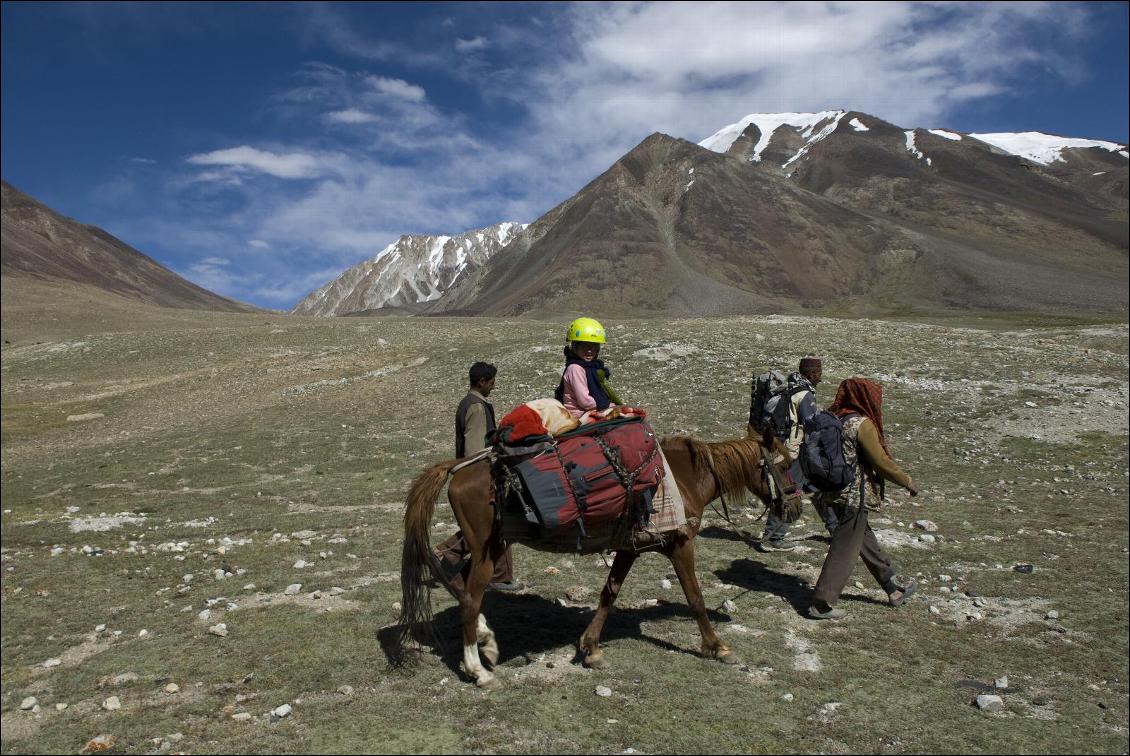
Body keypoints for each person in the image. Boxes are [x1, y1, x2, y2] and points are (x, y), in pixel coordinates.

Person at [807, 377, 919, 620]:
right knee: (845, 548)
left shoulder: (834, 417)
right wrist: (907, 481)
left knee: (863, 540)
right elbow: (881, 462)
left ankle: (892, 588)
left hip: (830, 492)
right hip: (853, 496)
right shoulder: (861, 424)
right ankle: (822, 603)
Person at [435, 362, 525, 592]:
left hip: (476, 473)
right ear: (483, 382)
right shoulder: (476, 407)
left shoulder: (470, 402)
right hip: (479, 474)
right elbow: (475, 449)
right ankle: (450, 554)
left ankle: (500, 575)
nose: (494, 386)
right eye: (492, 381)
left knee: (493, 525)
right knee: (490, 525)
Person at [757, 357, 837, 551]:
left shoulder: (790, 388)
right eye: (818, 372)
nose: (820, 376)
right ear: (810, 373)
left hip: (787, 449)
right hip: (797, 452)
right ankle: (773, 537)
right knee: (791, 493)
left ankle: (836, 529)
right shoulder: (805, 394)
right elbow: (810, 425)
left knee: (815, 487)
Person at [555, 317, 622, 419]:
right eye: (584, 346)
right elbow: (585, 402)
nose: (589, 351)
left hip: (588, 409)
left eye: (594, 346)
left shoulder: (590, 367)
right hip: (578, 414)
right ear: (575, 347)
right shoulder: (575, 369)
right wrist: (607, 405)